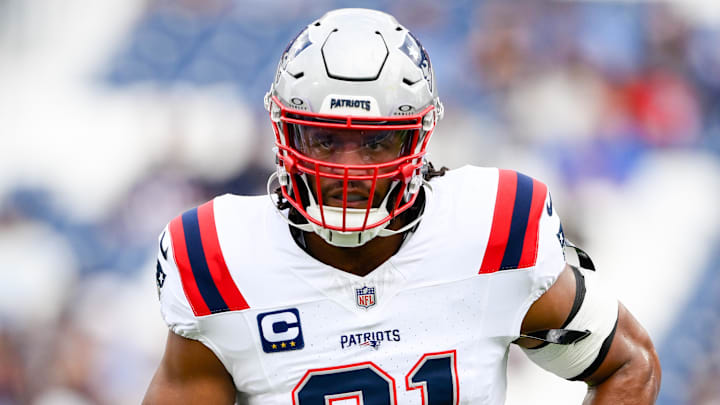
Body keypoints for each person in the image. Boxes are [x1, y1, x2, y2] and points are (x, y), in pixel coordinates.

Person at [143, 8, 660, 405]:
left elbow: (629, 364)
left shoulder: (492, 231)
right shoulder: (220, 260)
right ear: (286, 134)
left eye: (374, 143)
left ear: (416, 138)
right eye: (324, 140)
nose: (349, 169)